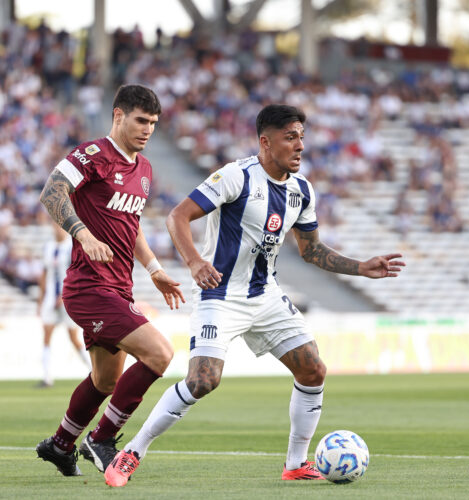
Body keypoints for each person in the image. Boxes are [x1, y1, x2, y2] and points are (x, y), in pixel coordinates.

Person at [103, 104, 405, 487]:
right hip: (220, 296)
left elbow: (311, 251)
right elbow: (177, 216)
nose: (299, 146)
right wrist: (195, 262)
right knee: (202, 381)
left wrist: (359, 267)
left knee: (313, 369)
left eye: (301, 137)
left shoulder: (301, 190)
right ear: (266, 142)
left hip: (265, 296)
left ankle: (296, 463)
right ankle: (133, 452)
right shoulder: (236, 176)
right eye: (290, 137)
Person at [35, 84, 185, 477]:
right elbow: (51, 192)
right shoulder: (92, 155)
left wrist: (155, 271)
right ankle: (101, 438)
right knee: (160, 354)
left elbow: (130, 226)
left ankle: (60, 444)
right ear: (118, 116)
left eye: (153, 123)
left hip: (119, 287)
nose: (148, 129)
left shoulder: (145, 170)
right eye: (140, 120)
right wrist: (83, 234)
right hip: (89, 287)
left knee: (105, 380)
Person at [36, 221, 92, 388]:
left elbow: (77, 272)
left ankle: (93, 371)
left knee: (74, 337)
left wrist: (65, 295)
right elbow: (44, 273)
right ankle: (47, 378)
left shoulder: (71, 247)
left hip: (68, 298)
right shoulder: (48, 247)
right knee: (46, 337)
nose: (57, 229)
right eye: (54, 225)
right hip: (49, 300)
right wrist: (41, 298)